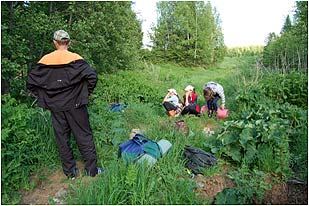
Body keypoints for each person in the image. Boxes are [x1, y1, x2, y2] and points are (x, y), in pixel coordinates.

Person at [27, 30, 103, 179]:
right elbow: (92, 77)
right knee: (84, 136)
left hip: (56, 106)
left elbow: (31, 82)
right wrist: (84, 93)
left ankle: (70, 173)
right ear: (69, 42)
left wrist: (46, 98)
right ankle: (92, 171)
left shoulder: (45, 60)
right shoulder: (76, 59)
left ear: (55, 43)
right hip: (76, 104)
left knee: (62, 138)